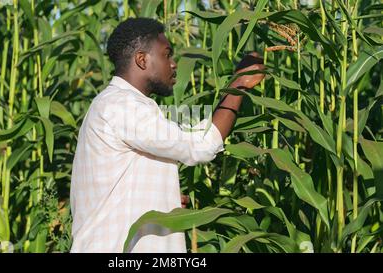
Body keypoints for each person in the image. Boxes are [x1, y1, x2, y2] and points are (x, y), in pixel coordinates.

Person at [70, 17, 265, 253]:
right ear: (142, 59)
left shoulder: (118, 105)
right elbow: (202, 145)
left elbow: (124, 182)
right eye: (167, 54)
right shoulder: (121, 106)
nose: (173, 64)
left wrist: (165, 198)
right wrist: (239, 84)